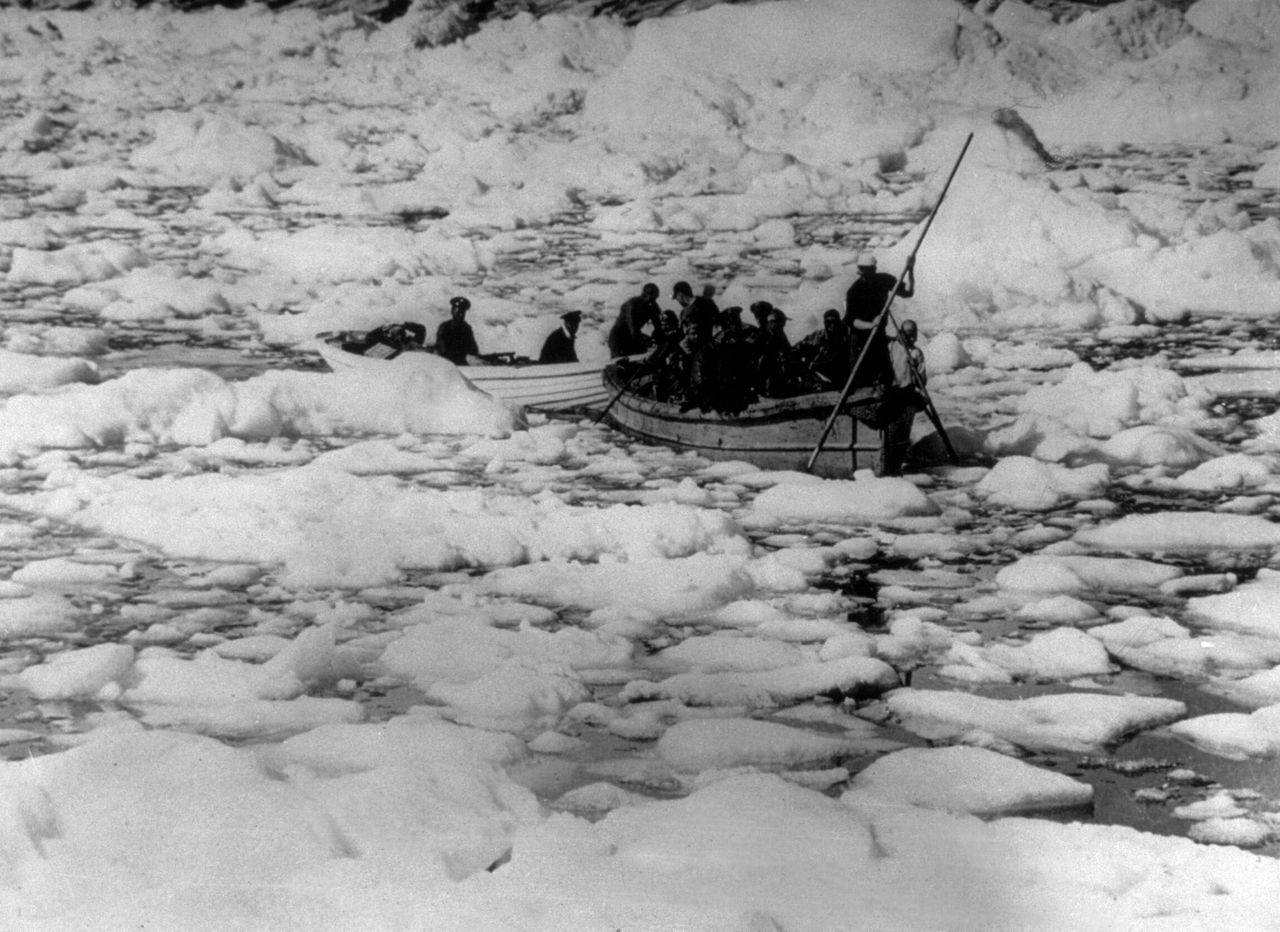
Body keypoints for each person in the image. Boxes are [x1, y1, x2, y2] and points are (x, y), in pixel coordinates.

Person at [843, 253, 914, 387]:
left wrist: (910, 270)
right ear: (860, 271)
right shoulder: (854, 291)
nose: (869, 274)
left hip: (878, 335)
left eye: (871, 271)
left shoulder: (883, 280)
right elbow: (851, 321)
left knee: (886, 375)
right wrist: (871, 325)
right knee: (860, 378)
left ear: (874, 269)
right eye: (865, 271)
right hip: (860, 338)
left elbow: (908, 292)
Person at [880, 318, 928, 478]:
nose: (911, 338)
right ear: (901, 333)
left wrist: (916, 373)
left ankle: (895, 464)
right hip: (891, 394)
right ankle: (887, 463)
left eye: (913, 334)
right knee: (889, 432)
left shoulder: (916, 353)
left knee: (901, 433)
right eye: (908, 334)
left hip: (907, 396)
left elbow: (922, 381)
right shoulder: (892, 347)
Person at [793, 309, 851, 391]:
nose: (832, 326)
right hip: (820, 375)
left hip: (841, 373)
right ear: (825, 323)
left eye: (835, 322)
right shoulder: (817, 337)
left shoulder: (846, 335)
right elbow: (794, 351)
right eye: (828, 323)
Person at [607, 283, 660, 358]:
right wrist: (646, 341)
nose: (652, 302)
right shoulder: (632, 304)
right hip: (619, 338)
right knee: (620, 363)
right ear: (645, 295)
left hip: (633, 336)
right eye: (650, 298)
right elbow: (633, 328)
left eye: (654, 299)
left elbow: (659, 326)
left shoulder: (652, 306)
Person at [755, 307, 794, 398]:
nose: (783, 326)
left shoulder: (779, 333)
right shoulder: (760, 335)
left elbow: (787, 350)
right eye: (781, 323)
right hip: (764, 375)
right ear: (772, 323)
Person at [342, 320, 427, 359]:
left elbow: (371, 339)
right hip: (388, 348)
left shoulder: (400, 347)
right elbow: (421, 329)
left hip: (398, 359)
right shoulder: (411, 342)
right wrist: (404, 325)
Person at [434, 296, 480, 366]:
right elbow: (442, 346)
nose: (461, 315)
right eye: (458, 312)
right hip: (445, 362)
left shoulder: (467, 328)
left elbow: (473, 349)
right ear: (452, 312)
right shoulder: (445, 326)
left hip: (461, 363)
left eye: (463, 312)